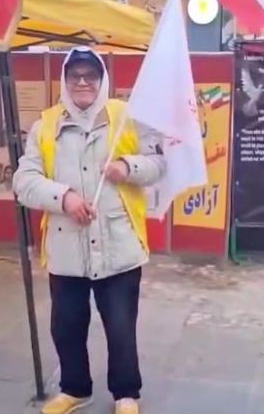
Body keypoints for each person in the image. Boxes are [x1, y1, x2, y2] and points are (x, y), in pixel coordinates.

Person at [13, 46, 166, 414]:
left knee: (121, 327)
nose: (83, 82)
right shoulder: (45, 126)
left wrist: (127, 167)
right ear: (65, 81)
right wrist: (63, 197)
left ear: (102, 80)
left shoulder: (126, 117)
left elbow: (159, 162)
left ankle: (126, 394)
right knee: (66, 327)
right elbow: (23, 181)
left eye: (91, 76)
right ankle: (75, 389)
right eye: (75, 76)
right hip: (66, 249)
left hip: (119, 246)